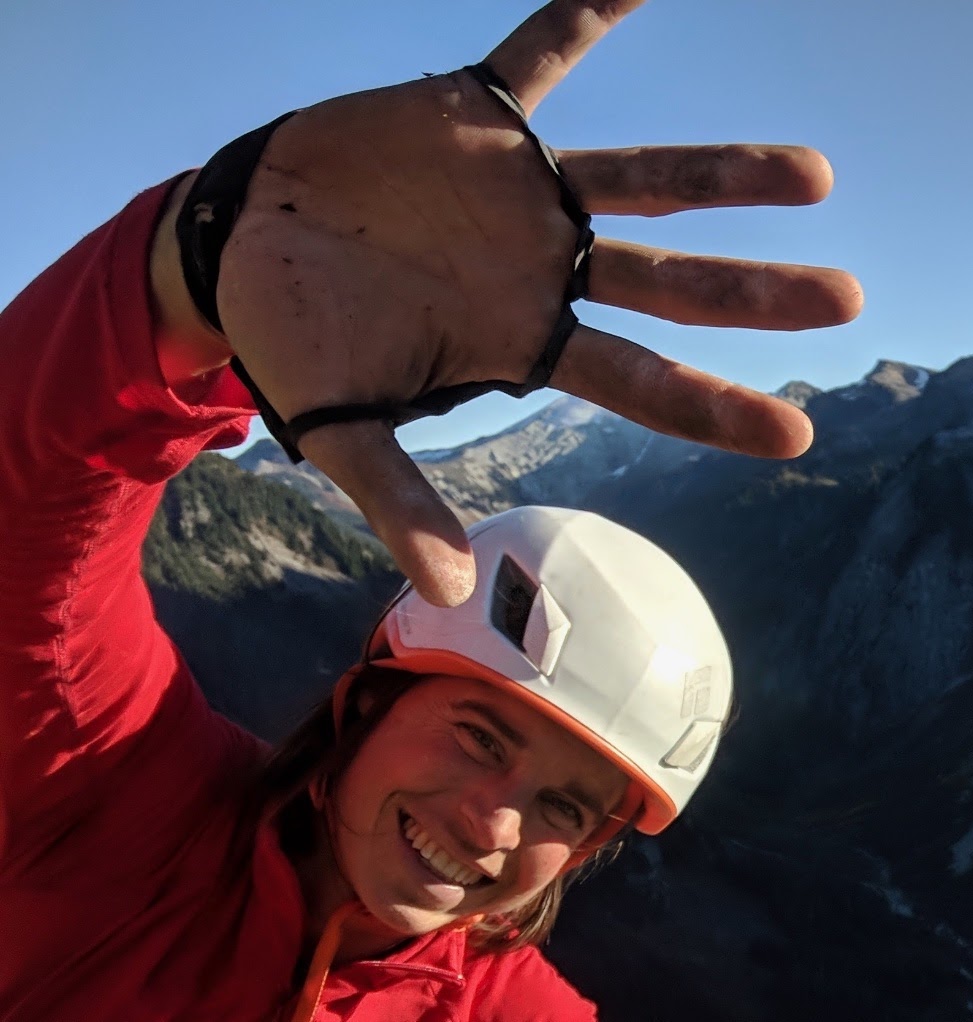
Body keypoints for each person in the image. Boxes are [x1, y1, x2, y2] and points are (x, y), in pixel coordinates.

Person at [0, 1, 862, 1020]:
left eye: (561, 806)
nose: (493, 827)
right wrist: (197, 261)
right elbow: (30, 526)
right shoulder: (111, 795)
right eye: (481, 737)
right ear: (370, 700)